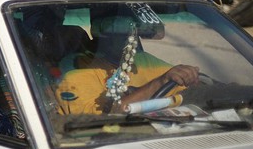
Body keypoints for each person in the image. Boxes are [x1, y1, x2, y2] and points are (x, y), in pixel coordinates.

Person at [54, 23, 199, 115]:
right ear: (102, 34)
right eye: (120, 32)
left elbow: (182, 83)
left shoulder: (144, 60)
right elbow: (103, 122)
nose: (130, 38)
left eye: (133, 32)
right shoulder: (75, 76)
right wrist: (160, 82)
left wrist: (189, 75)